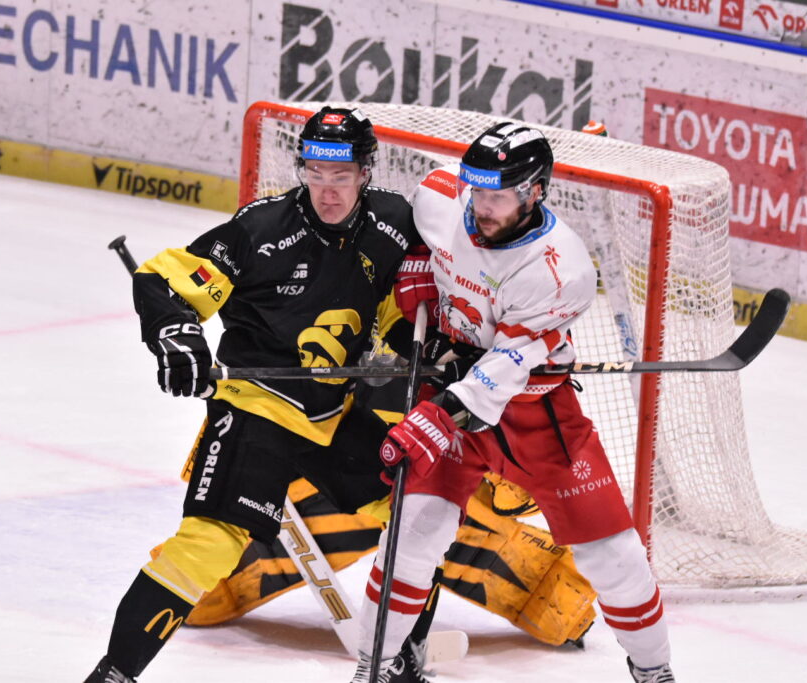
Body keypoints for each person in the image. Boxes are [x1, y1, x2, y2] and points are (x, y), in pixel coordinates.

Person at [83, 106, 433, 683]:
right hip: (256, 408)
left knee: (422, 507)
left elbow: (406, 305)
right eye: (315, 174)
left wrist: (429, 347)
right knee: (209, 545)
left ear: (366, 171)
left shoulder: (395, 222)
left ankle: (402, 659)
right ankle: (114, 675)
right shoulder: (261, 229)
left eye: (340, 176)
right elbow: (164, 280)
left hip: (334, 411)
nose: (326, 191)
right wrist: (177, 335)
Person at [350, 123, 675, 683]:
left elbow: (499, 373)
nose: (481, 207)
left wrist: (434, 418)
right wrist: (416, 263)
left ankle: (654, 671)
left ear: (535, 190)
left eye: (497, 197)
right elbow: (414, 225)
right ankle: (372, 667)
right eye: (476, 191)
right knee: (411, 536)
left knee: (614, 555)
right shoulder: (443, 195)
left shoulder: (561, 270)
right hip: (452, 389)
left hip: (533, 412)